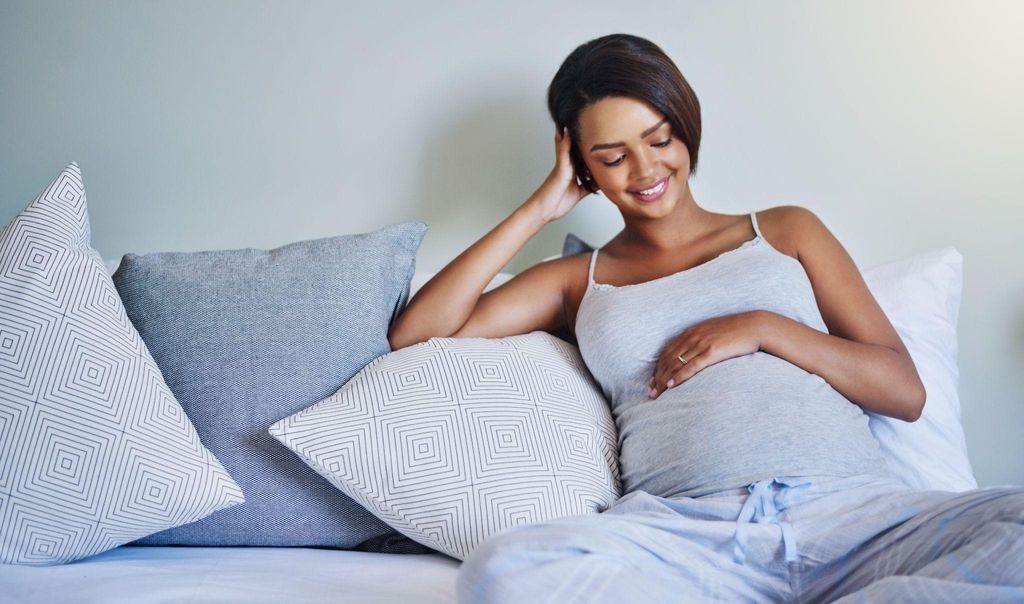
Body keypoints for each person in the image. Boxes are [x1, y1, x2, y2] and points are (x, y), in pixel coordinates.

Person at [388, 34, 1024, 603]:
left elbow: (903, 392)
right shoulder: (574, 283)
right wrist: (537, 211)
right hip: (688, 537)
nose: (645, 170)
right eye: (611, 157)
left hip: (854, 514)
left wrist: (763, 327)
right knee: (505, 570)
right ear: (582, 166)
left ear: (684, 126)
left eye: (659, 138)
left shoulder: (785, 230)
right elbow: (414, 336)